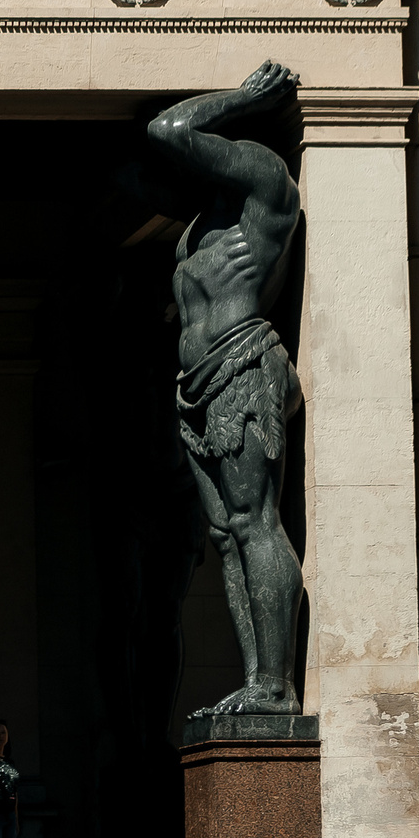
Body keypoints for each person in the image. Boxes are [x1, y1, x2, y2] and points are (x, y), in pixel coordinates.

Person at [148, 62, 306, 717]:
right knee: (225, 532)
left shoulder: (267, 187)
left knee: (254, 520)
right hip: (198, 384)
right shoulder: (200, 225)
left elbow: (171, 127)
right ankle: (256, 677)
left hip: (242, 365)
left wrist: (241, 98)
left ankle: (276, 682)